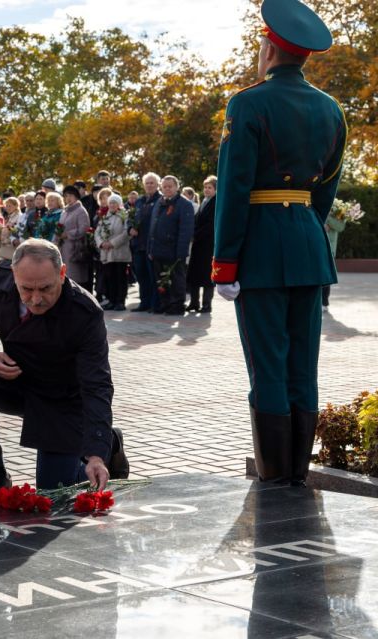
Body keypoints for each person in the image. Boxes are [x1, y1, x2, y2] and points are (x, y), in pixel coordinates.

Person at [212, 0, 345, 485]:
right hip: (308, 246)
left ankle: (274, 480)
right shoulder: (331, 108)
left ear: (269, 50)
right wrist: (302, 231)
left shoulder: (247, 103)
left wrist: (225, 263)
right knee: (303, 366)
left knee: (268, 366)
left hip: (261, 252)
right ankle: (297, 474)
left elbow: (234, 188)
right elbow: (325, 189)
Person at [0, 239, 127, 497]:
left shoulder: (85, 312)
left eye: (46, 288)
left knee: (54, 492)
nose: (36, 299)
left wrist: (96, 453)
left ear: (62, 273)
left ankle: (110, 443)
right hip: (17, 384)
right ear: (14, 275)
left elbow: (96, 385)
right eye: (26, 289)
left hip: (61, 401)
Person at [147, 176, 195, 315]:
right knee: (161, 280)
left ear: (177, 187)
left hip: (174, 251)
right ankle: (165, 304)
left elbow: (186, 231)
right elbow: (152, 227)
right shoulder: (159, 202)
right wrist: (150, 249)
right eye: (164, 186)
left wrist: (181, 252)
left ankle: (177, 306)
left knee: (176, 280)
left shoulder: (184, 204)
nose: (167, 189)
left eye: (170, 186)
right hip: (157, 250)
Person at [129, 173, 162, 312]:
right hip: (138, 245)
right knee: (141, 276)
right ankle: (144, 302)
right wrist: (130, 228)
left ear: (158, 184)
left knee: (153, 276)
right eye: (147, 183)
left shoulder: (161, 200)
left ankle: (155, 304)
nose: (149, 185)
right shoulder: (139, 201)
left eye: (152, 183)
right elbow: (131, 218)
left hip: (152, 245)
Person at [186, 176, 217, 313]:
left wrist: (195, 234)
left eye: (210, 187)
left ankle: (206, 304)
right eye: (205, 187)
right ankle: (194, 303)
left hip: (208, 244)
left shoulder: (216, 203)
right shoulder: (204, 201)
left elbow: (211, 224)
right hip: (198, 245)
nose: (206, 190)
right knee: (194, 274)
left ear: (216, 189)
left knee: (207, 276)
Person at [95, 194, 131, 311]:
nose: (112, 205)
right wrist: (101, 243)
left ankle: (120, 301)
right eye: (110, 202)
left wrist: (112, 243)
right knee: (109, 278)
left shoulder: (124, 216)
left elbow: (126, 233)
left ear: (119, 204)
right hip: (106, 253)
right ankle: (111, 300)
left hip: (119, 252)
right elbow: (97, 232)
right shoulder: (105, 216)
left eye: (114, 202)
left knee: (120, 278)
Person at [57, 185, 92, 292]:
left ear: (76, 196)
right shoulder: (65, 211)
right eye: (66, 196)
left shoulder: (80, 211)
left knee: (76, 278)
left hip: (76, 249)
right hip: (64, 247)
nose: (68, 198)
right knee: (66, 275)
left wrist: (68, 234)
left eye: (70, 195)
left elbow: (84, 228)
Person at [322, 203, 346, 310]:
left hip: (330, 248)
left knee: (326, 276)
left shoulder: (338, 209)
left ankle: (324, 302)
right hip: (314, 246)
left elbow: (340, 227)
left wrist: (328, 222)